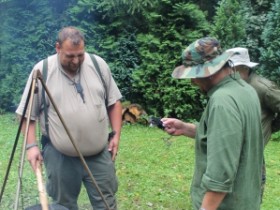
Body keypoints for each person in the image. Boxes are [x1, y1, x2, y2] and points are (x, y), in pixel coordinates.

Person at [16, 26, 123, 210]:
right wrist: (31, 146)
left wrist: (116, 135)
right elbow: (27, 115)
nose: (76, 61)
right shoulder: (43, 70)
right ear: (58, 48)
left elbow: (114, 102)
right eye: (70, 56)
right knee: (63, 206)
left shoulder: (98, 65)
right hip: (60, 156)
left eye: (80, 55)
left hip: (98, 154)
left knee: (107, 203)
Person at [162, 37, 263, 210]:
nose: (193, 81)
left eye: (194, 74)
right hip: (247, 200)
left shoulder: (222, 101)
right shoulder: (245, 90)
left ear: (208, 71)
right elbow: (231, 137)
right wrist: (186, 128)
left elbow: (221, 174)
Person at [226, 47, 280, 201]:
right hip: (231, 152)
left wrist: (271, 126)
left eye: (232, 67)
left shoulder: (264, 88)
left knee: (250, 198)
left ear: (244, 67)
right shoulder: (231, 85)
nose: (228, 72)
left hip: (252, 155)